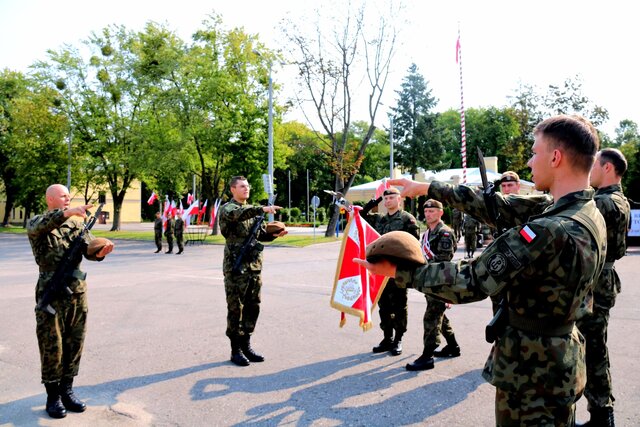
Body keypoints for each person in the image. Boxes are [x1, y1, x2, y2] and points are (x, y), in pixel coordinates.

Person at [355, 115, 607, 426]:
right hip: (560, 361)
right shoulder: (586, 211)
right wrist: (429, 188)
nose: (529, 161)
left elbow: (471, 279)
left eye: (534, 152)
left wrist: (399, 272)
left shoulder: (549, 230)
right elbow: (499, 206)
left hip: (531, 373)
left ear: (556, 157)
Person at [27, 184, 114, 419]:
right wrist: (69, 212)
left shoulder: (78, 224)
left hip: (76, 290)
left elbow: (88, 250)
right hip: (51, 290)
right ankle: (52, 396)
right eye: (63, 196)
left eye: (69, 196)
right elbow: (44, 225)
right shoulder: (37, 222)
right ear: (50, 199)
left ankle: (67, 390)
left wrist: (101, 252)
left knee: (75, 342)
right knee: (51, 345)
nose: (68, 199)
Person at [576, 148, 630, 427]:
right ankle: (601, 413)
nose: (589, 169)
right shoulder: (617, 200)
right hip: (601, 280)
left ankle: (601, 415)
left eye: (594, 164)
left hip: (596, 283)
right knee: (593, 348)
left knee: (592, 350)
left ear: (607, 168)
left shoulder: (604, 203)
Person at [218, 176, 288, 366]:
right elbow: (239, 214)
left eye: (247, 186)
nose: (246, 189)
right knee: (236, 309)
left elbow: (261, 235)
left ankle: (246, 345)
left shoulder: (253, 213)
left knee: (253, 306)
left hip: (254, 267)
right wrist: (262, 209)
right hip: (236, 268)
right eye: (242, 186)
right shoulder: (228, 209)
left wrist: (274, 234)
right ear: (233, 189)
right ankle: (235, 350)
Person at [361, 187, 420, 356]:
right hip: (380, 270)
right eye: (385, 199)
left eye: (391, 198)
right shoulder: (379, 219)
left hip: (397, 271)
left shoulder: (407, 219)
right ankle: (387, 337)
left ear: (399, 199)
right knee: (383, 306)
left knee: (399, 305)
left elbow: (413, 246)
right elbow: (361, 217)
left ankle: (398, 339)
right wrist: (374, 202)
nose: (388, 201)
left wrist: (409, 270)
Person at [406, 199, 458, 371]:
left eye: (432, 211)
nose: (428, 214)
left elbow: (444, 260)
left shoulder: (445, 233)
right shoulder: (428, 233)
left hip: (440, 283)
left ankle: (427, 356)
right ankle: (453, 346)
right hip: (430, 281)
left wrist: (422, 267)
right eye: (426, 212)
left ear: (440, 213)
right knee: (438, 316)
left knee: (431, 318)